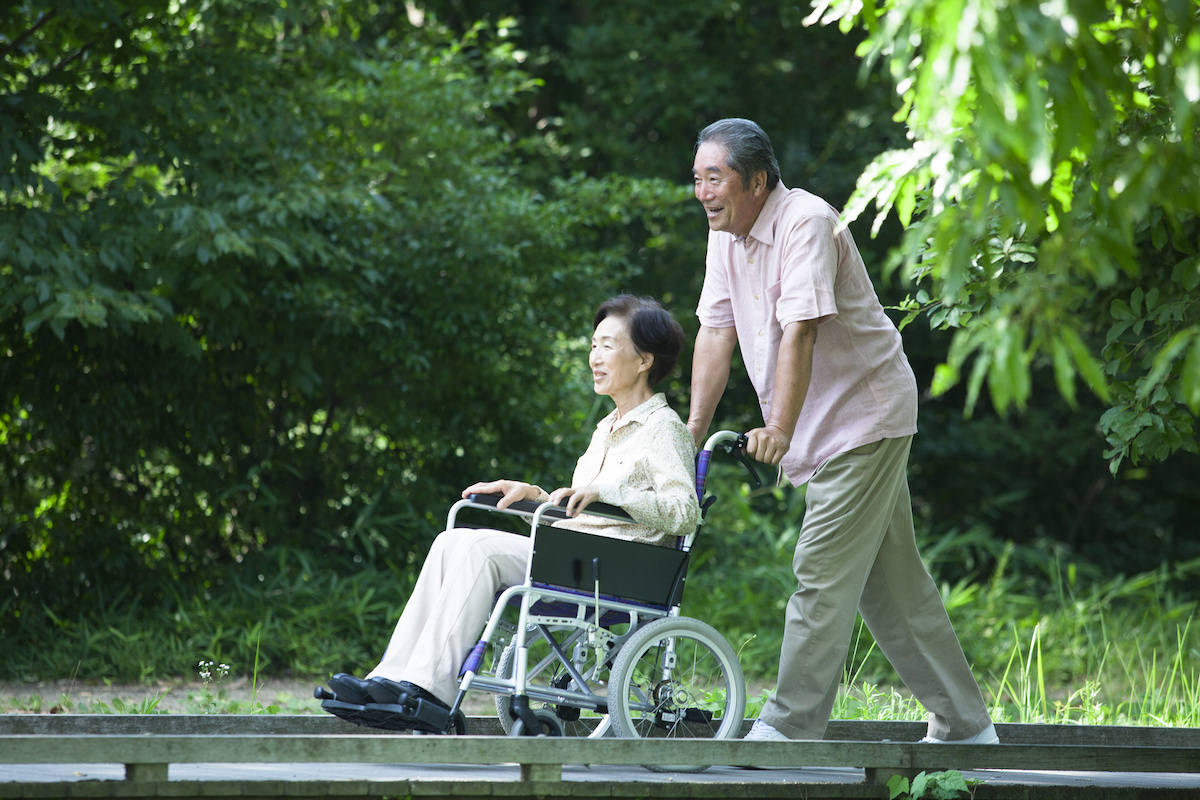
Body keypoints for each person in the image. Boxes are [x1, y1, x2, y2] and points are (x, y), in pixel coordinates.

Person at [686, 118, 997, 745]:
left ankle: (791, 726)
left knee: (820, 569)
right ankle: (965, 725)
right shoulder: (727, 237)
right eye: (697, 180)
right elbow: (715, 333)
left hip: (863, 417)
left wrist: (778, 426)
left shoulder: (806, 222)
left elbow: (799, 331)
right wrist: (690, 433)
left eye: (714, 179)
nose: (703, 193)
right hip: (823, 425)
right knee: (890, 587)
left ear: (757, 180)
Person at [321, 294, 700, 729]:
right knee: (452, 540)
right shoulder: (607, 429)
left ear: (644, 360)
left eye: (608, 346)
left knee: (479, 548)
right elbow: (581, 506)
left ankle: (429, 692)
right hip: (579, 556)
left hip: (618, 569)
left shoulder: (664, 429)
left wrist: (606, 491)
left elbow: (684, 512)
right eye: (593, 344)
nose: (594, 357)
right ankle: (393, 679)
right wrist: (532, 496)